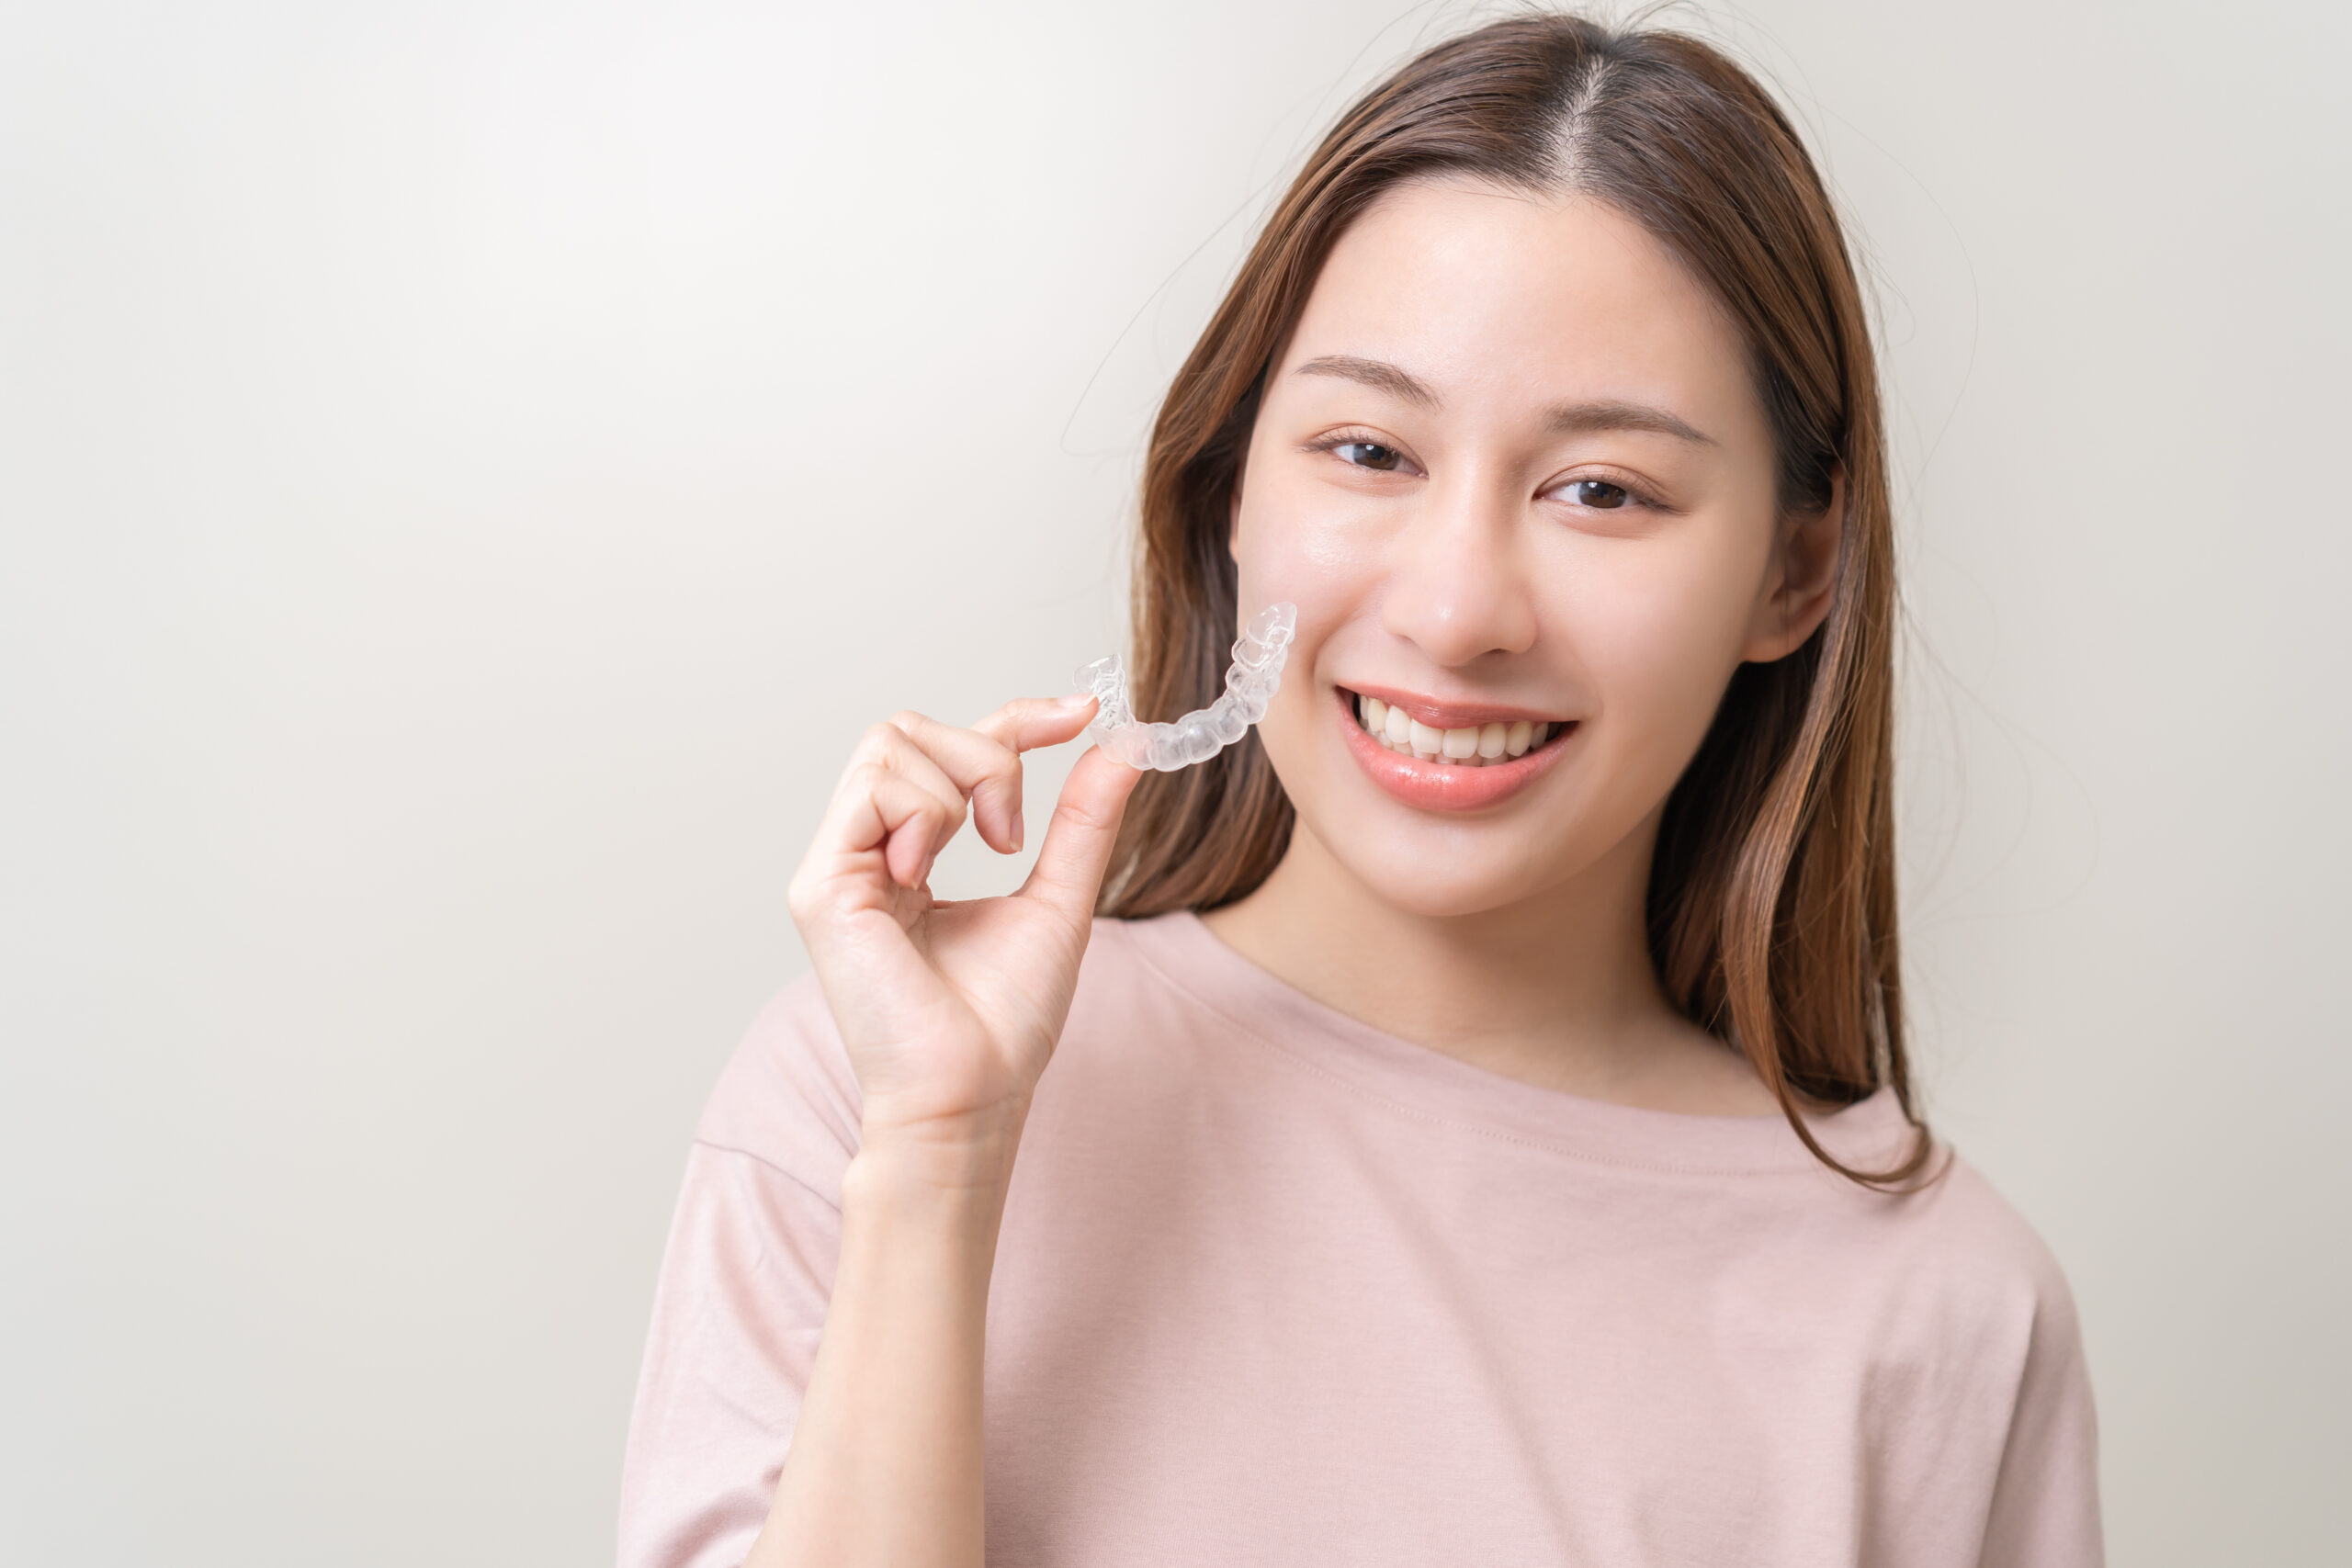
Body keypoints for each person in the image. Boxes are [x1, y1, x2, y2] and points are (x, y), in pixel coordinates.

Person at [617, 14, 2102, 1566]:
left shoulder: (1945, 1320)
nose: (1460, 610)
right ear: (1231, 496)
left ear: (1793, 575)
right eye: (1371, 451)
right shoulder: (870, 1098)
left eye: (1600, 489)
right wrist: (936, 1160)